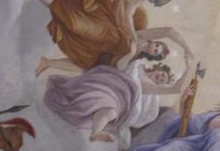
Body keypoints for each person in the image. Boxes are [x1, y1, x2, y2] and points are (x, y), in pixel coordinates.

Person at [29, 0, 191, 73]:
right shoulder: (143, 35)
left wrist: (130, 54)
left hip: (100, 46)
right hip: (104, 27)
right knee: (75, 23)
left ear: (152, 56)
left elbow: (119, 66)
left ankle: (47, 62)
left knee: (83, 63)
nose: (153, 48)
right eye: (157, 46)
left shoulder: (136, 58)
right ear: (156, 42)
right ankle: (45, 0)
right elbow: (169, 31)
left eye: (155, 52)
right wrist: (186, 48)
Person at [42, 51, 195, 145]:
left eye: (162, 80)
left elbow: (177, 88)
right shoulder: (138, 66)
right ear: (157, 68)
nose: (160, 78)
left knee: (110, 111)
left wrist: (190, 68)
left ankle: (96, 132)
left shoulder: (150, 89)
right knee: (97, 98)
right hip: (109, 84)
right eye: (161, 74)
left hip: (120, 101)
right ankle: (96, 124)